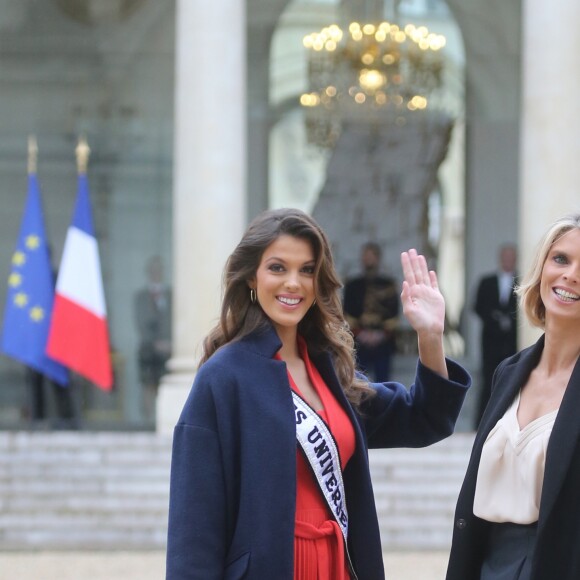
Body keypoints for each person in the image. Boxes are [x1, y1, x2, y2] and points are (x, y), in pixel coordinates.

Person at [166, 208, 471, 580]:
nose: (294, 283)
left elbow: (425, 418)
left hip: (338, 566)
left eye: (307, 270)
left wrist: (430, 335)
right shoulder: (223, 377)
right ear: (251, 277)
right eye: (278, 268)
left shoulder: (330, 370)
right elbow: (194, 526)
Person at [447, 213, 580, 580]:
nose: (570, 275)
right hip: (487, 563)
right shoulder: (509, 371)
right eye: (561, 259)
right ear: (541, 268)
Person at [473, 244, 518, 427]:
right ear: (500, 259)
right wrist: (495, 319)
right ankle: (482, 423)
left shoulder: (523, 281)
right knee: (488, 379)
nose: (507, 261)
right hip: (490, 340)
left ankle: (507, 422)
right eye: (505, 257)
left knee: (512, 379)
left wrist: (510, 320)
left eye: (511, 257)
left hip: (512, 342)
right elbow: (477, 307)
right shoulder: (487, 281)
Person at [343, 242, 399, 381]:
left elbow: (393, 313)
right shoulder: (352, 285)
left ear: (378, 258)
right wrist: (361, 333)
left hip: (383, 342)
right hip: (358, 341)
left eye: (371, 256)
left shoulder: (388, 284)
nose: (367, 259)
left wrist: (380, 335)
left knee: (384, 382)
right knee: (357, 382)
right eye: (365, 256)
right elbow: (347, 312)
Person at [134, 255, 172, 420]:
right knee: (148, 384)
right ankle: (147, 420)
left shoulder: (171, 295)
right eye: (153, 270)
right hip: (148, 348)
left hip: (168, 348)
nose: (156, 273)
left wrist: (168, 341)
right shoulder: (141, 297)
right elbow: (140, 321)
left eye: (159, 270)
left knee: (165, 384)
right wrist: (154, 342)